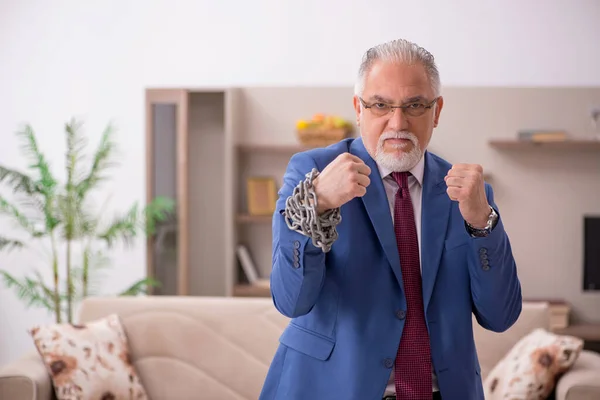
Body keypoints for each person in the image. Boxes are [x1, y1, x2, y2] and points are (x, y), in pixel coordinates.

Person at [258, 38, 522, 400]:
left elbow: (501, 316)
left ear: (437, 111)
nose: (398, 122)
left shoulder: (469, 194)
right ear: (359, 108)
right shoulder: (313, 173)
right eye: (380, 104)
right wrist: (316, 203)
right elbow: (291, 301)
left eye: (414, 105)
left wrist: (482, 223)